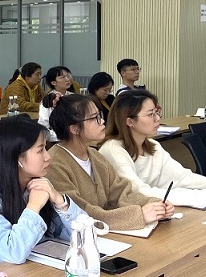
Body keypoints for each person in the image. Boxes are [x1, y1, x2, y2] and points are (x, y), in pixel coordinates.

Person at [0, 117, 86, 275]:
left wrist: (61, 202)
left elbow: (84, 236)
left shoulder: (36, 184)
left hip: (31, 271)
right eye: (40, 150)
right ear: (17, 158)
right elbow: (13, 252)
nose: (48, 156)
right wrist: (33, 207)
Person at [45, 94, 172, 230]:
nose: (102, 121)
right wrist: (139, 215)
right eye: (95, 118)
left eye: (100, 115)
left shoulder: (95, 156)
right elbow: (81, 212)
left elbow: (121, 194)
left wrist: (155, 204)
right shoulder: (54, 164)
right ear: (74, 129)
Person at [99, 90, 206, 209]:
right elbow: (139, 193)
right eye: (150, 114)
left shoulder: (152, 145)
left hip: (154, 211)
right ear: (130, 121)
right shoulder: (112, 150)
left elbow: (183, 177)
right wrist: (204, 196)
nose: (157, 118)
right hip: (126, 215)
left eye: (157, 112)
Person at [38, 66, 74, 142]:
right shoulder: (48, 100)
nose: (67, 79)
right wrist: (61, 136)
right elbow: (43, 125)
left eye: (68, 76)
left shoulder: (73, 97)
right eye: (62, 77)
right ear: (53, 82)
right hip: (56, 139)